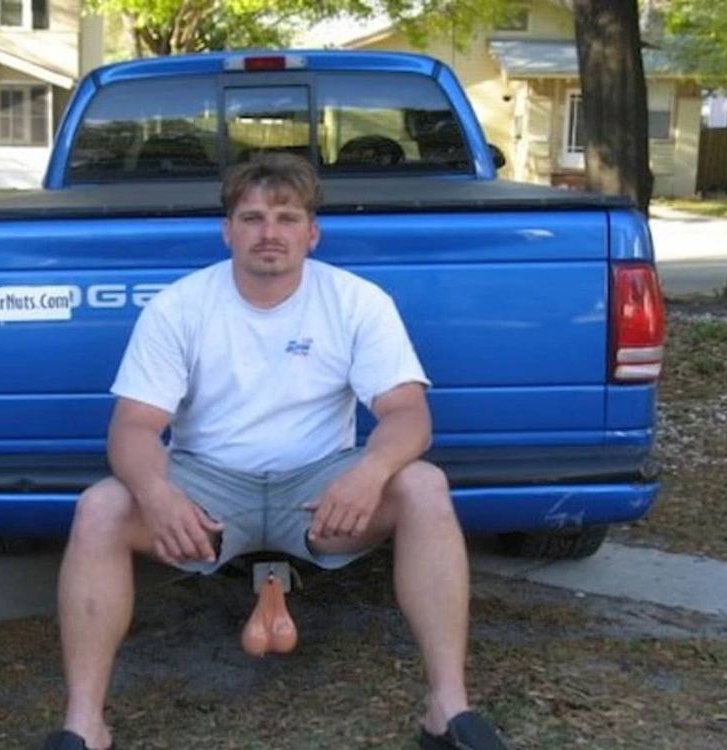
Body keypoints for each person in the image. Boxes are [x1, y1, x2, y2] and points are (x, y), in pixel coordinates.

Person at [43, 152, 510, 750]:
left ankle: (446, 709)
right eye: (253, 217)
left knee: (423, 485)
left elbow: (407, 413)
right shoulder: (179, 306)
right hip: (207, 488)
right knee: (101, 507)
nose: (270, 233)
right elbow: (133, 426)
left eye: (287, 218)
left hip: (319, 491)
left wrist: (371, 471)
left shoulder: (356, 301)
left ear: (312, 233)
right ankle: (84, 724)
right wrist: (156, 494)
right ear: (227, 230)